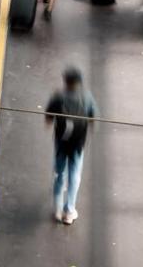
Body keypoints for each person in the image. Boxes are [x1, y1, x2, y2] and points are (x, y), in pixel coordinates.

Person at [45, 67, 98, 225]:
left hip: (62, 141)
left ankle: (57, 209)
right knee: (74, 175)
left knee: (59, 173)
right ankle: (69, 212)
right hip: (77, 143)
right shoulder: (86, 97)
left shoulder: (58, 96)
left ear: (65, 81)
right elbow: (92, 117)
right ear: (79, 82)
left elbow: (49, 117)